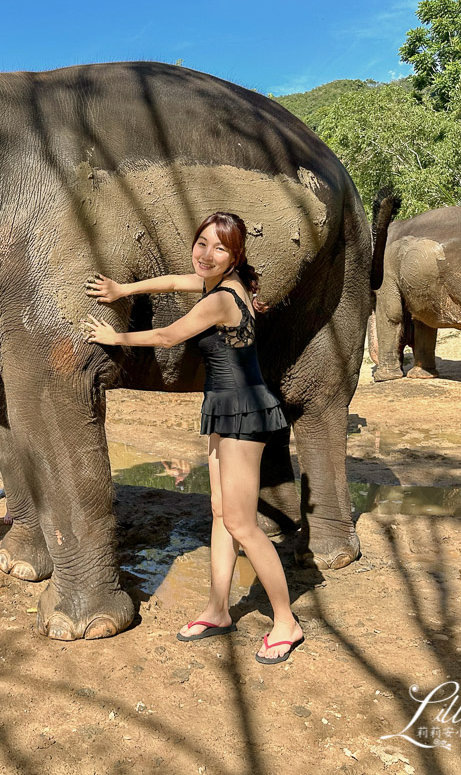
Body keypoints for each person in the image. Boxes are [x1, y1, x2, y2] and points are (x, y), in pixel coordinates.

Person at [83, 212, 303, 664]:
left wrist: (113, 334)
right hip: (225, 406)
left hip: (244, 411)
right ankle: (218, 609)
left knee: (242, 523)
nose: (206, 255)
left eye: (219, 248)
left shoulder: (222, 298)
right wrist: (123, 290)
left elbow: (167, 335)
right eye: (201, 243)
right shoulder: (217, 282)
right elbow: (170, 283)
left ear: (235, 255)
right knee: (221, 511)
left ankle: (287, 622)